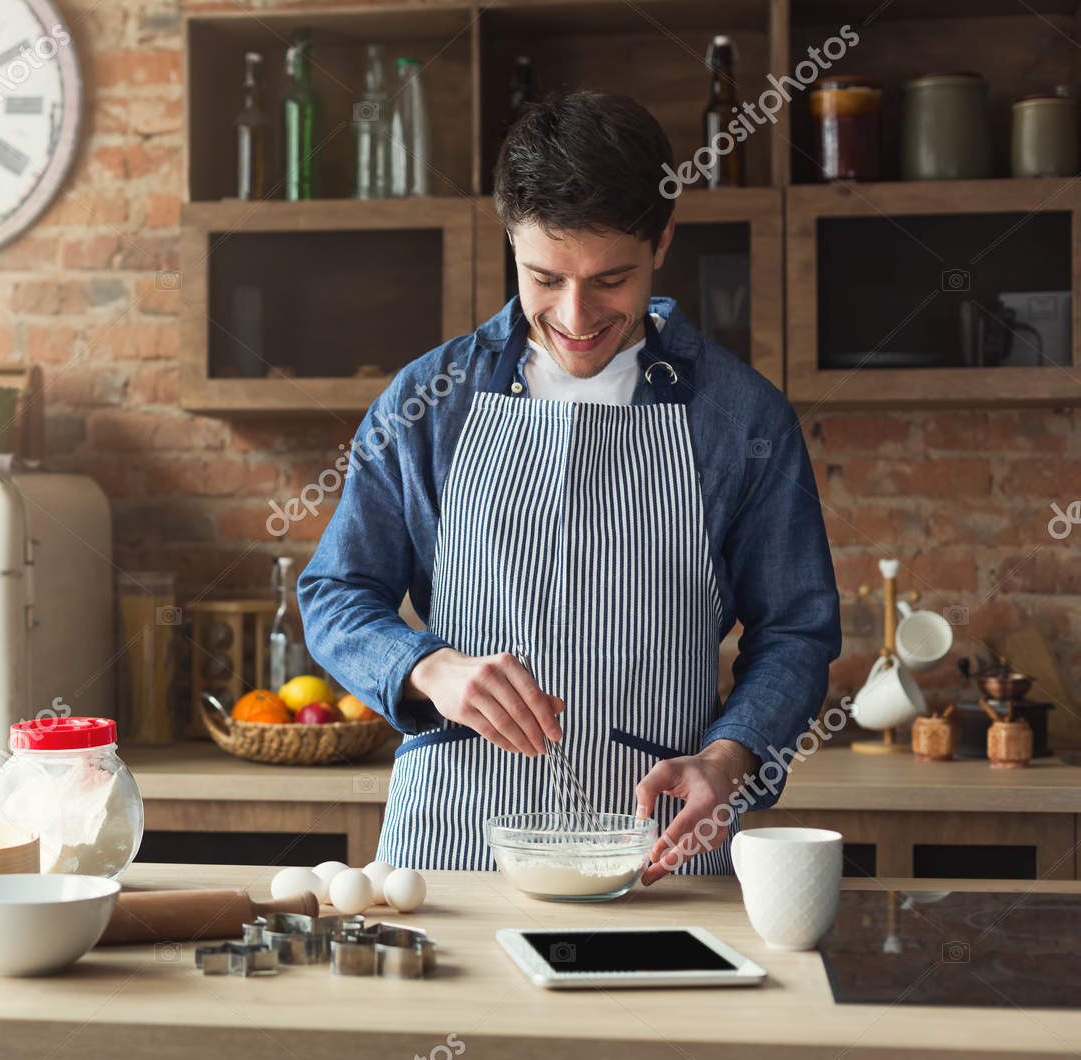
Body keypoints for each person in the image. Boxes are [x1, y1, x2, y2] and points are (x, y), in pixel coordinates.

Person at [298, 90, 841, 881]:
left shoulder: (740, 417)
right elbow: (336, 592)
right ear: (510, 242)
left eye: (611, 279)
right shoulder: (430, 400)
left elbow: (795, 629)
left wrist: (730, 758)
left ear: (663, 238)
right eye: (545, 277)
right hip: (451, 848)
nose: (577, 315)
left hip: (658, 846)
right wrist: (429, 668)